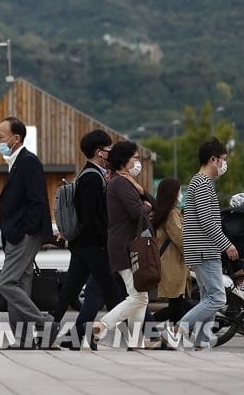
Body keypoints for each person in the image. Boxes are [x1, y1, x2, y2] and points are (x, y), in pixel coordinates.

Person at [50, 130, 124, 345]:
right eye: (109, 148)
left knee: (68, 292)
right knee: (112, 292)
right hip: (94, 245)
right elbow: (91, 217)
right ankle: (142, 337)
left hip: (84, 245)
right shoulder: (92, 177)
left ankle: (54, 335)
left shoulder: (94, 174)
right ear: (99, 152)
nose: (111, 152)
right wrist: (106, 238)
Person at [166, 137, 238, 350]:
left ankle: (202, 342)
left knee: (207, 297)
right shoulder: (203, 184)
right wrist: (227, 244)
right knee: (217, 298)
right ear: (213, 159)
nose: (224, 164)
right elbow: (207, 220)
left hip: (200, 250)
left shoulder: (197, 182)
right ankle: (178, 329)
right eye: (223, 160)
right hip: (205, 250)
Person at [88, 141, 155, 350]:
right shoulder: (119, 183)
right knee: (138, 296)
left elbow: (156, 206)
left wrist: (141, 190)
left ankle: (135, 342)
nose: (137, 162)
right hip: (124, 246)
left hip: (126, 244)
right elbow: (138, 212)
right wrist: (147, 204)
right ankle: (101, 326)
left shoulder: (124, 183)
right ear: (124, 161)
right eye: (135, 158)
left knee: (139, 296)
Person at [0, 116, 54, 348]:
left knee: (6, 284)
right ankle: (23, 339)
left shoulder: (28, 161)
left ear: (15, 138)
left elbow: (37, 200)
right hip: (17, 234)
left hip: (24, 234)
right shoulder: (16, 162)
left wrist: (26, 231)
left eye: (1, 137)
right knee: (20, 285)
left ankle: (43, 323)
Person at [151, 177, 190, 323]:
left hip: (172, 263)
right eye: (179, 191)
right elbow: (180, 238)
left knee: (177, 305)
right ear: (172, 193)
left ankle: (173, 337)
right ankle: (148, 325)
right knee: (176, 306)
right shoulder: (171, 213)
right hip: (172, 264)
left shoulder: (167, 212)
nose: (181, 194)